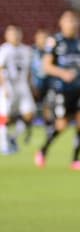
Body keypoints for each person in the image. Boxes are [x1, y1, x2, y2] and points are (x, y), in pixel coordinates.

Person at [35, 10, 80, 171]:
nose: (72, 24)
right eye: (69, 21)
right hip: (61, 90)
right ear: (61, 23)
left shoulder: (79, 44)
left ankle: (76, 160)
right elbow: (46, 66)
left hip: (78, 88)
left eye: (74, 21)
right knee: (62, 125)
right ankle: (43, 150)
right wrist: (63, 73)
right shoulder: (55, 42)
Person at [0, 25, 37, 153]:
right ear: (6, 36)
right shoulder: (4, 50)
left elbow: (29, 71)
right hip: (8, 85)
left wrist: (31, 85)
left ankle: (12, 137)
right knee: (5, 116)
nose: (15, 36)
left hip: (23, 85)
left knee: (30, 114)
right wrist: (3, 86)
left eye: (17, 33)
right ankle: (4, 144)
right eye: (11, 33)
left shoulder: (27, 50)